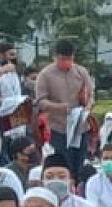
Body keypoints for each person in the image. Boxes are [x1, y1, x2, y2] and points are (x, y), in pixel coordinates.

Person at [33, 40, 94, 177]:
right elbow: (40, 101)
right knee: (64, 163)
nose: (66, 62)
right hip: (59, 128)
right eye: (62, 59)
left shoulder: (81, 71)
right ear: (55, 57)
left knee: (80, 163)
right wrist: (59, 107)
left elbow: (90, 94)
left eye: (69, 59)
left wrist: (88, 107)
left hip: (80, 126)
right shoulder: (45, 75)